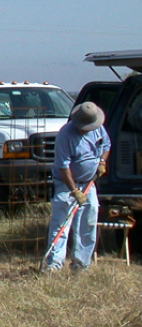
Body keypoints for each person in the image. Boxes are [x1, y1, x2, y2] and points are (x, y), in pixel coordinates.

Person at [43, 101, 111, 272]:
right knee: (61, 224)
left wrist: (102, 161)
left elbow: (106, 146)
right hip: (66, 184)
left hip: (89, 184)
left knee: (88, 222)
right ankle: (54, 264)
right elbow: (63, 167)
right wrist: (74, 191)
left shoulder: (98, 129)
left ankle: (81, 264)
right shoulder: (65, 136)